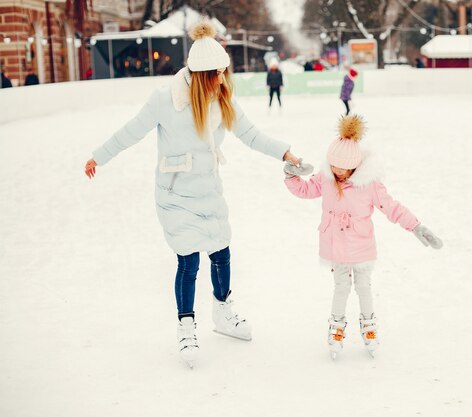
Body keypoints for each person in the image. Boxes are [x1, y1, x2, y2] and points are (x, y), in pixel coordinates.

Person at [84, 20, 309, 368]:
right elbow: (131, 132)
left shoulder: (221, 98)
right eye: (217, 73)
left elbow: (250, 133)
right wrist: (99, 155)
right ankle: (186, 327)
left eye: (224, 72)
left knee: (222, 251)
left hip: (208, 189)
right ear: (202, 73)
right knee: (188, 260)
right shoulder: (165, 99)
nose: (223, 79)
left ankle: (223, 313)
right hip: (174, 194)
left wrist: (285, 152)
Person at [283, 114, 442, 359]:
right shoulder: (325, 178)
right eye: (332, 166)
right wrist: (291, 176)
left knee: (364, 286)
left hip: (361, 246)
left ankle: (369, 326)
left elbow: (392, 207)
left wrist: (416, 226)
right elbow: (305, 190)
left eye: (341, 168)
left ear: (354, 165)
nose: (336, 172)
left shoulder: (368, 184)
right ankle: (336, 326)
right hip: (335, 245)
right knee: (341, 287)